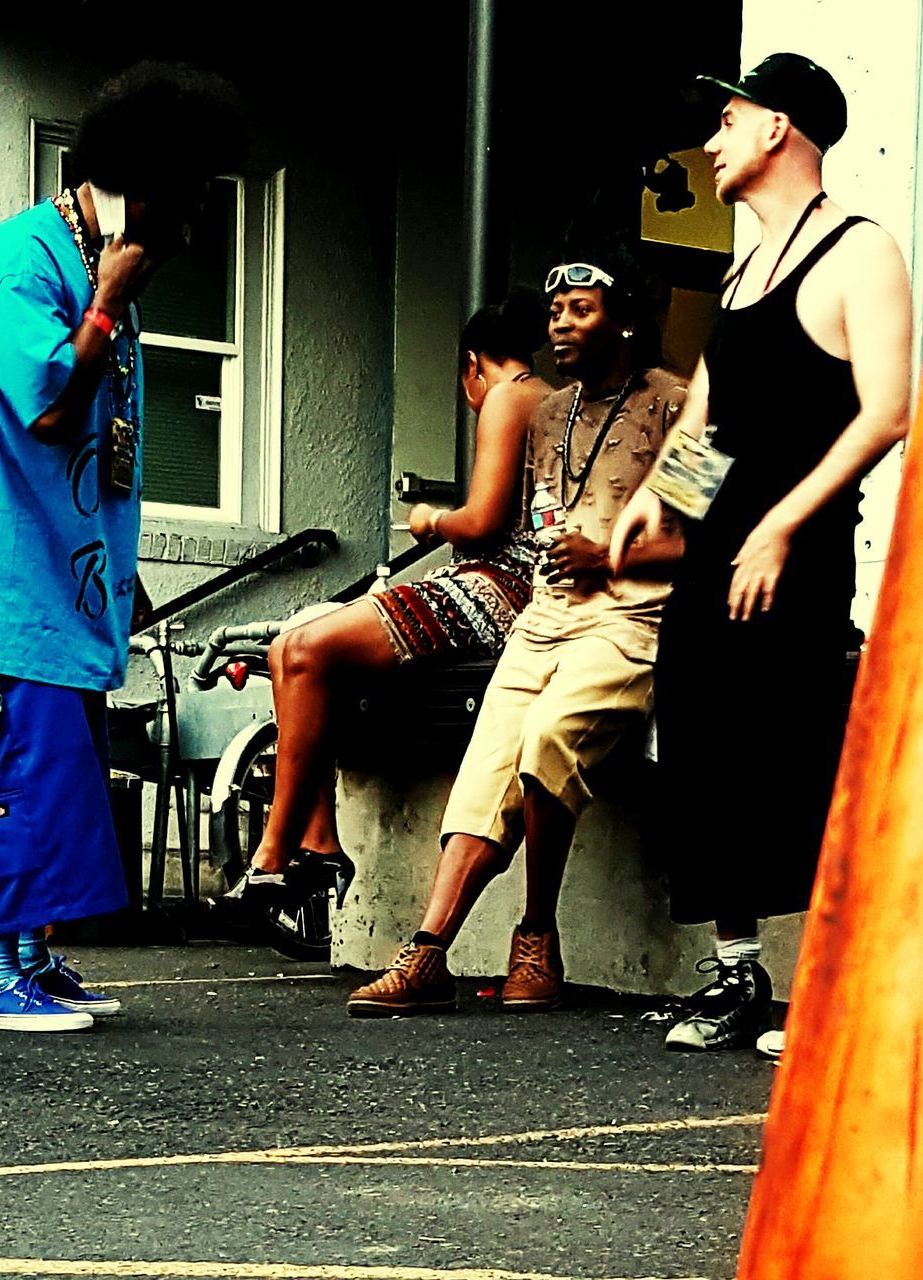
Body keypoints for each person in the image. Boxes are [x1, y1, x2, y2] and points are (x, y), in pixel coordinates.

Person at [0, 62, 245, 1032]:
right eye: (184, 200)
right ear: (142, 185)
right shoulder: (24, 257)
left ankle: (32, 953)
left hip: (71, 579)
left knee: (60, 768)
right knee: (13, 761)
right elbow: (53, 403)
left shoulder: (100, 259)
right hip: (11, 573)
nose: (189, 227)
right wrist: (104, 302)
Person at [610, 53, 913, 1057]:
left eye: (728, 123)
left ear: (779, 127)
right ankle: (738, 975)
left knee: (794, 757)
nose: (711, 143)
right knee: (703, 751)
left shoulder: (861, 252)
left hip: (798, 552)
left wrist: (781, 523)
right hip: (714, 555)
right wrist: (658, 500)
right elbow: (706, 420)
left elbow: (886, 410)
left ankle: (825, 988)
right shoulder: (741, 274)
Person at [346, 241, 687, 1017]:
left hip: (631, 617)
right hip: (545, 614)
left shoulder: (676, 403)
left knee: (549, 739)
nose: (559, 326)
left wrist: (609, 552)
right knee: (487, 761)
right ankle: (427, 951)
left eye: (580, 310)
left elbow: (716, 531)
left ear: (624, 320)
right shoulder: (548, 413)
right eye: (556, 312)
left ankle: (536, 937)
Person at [211, 290, 553, 920]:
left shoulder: (510, 396)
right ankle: (316, 846)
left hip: (499, 591)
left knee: (304, 646)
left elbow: (481, 522)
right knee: (298, 644)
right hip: (507, 591)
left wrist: (432, 518)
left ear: (473, 365)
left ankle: (272, 858)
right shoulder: (548, 395)